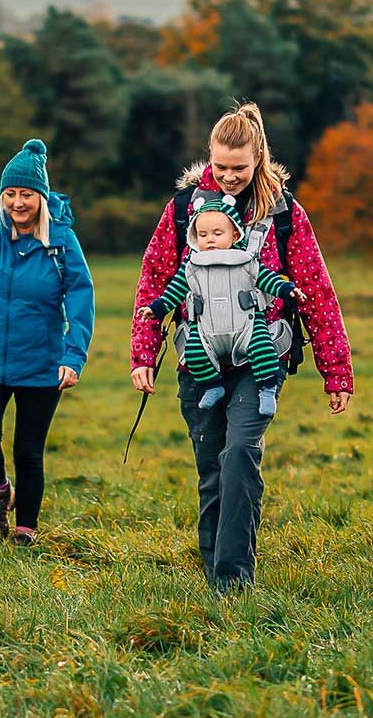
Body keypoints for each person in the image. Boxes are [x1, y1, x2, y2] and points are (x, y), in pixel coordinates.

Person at [129, 103, 354, 593]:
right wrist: (143, 353)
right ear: (209, 157)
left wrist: (335, 371)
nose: (228, 177)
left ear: (259, 159)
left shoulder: (284, 214)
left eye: (240, 168)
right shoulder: (186, 209)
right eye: (220, 166)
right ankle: (216, 575)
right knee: (211, 469)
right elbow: (155, 278)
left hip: (260, 355)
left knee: (239, 457)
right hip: (199, 357)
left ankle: (233, 582)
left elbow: (315, 289)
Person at [0, 139, 96, 545]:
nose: (17, 202)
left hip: (41, 363)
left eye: (26, 193)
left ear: (41, 196)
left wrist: (73, 355)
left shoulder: (61, 241)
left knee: (29, 451)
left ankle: (25, 529)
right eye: (10, 193)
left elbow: (81, 297)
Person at [138, 195, 304, 416]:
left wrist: (287, 290)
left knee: (262, 349)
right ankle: (212, 386)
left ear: (235, 234)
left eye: (217, 234)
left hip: (247, 326)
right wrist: (155, 309)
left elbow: (267, 279)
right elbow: (173, 292)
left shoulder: (246, 260)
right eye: (203, 235)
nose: (210, 240)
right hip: (206, 329)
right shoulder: (191, 266)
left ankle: (267, 389)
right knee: (194, 353)